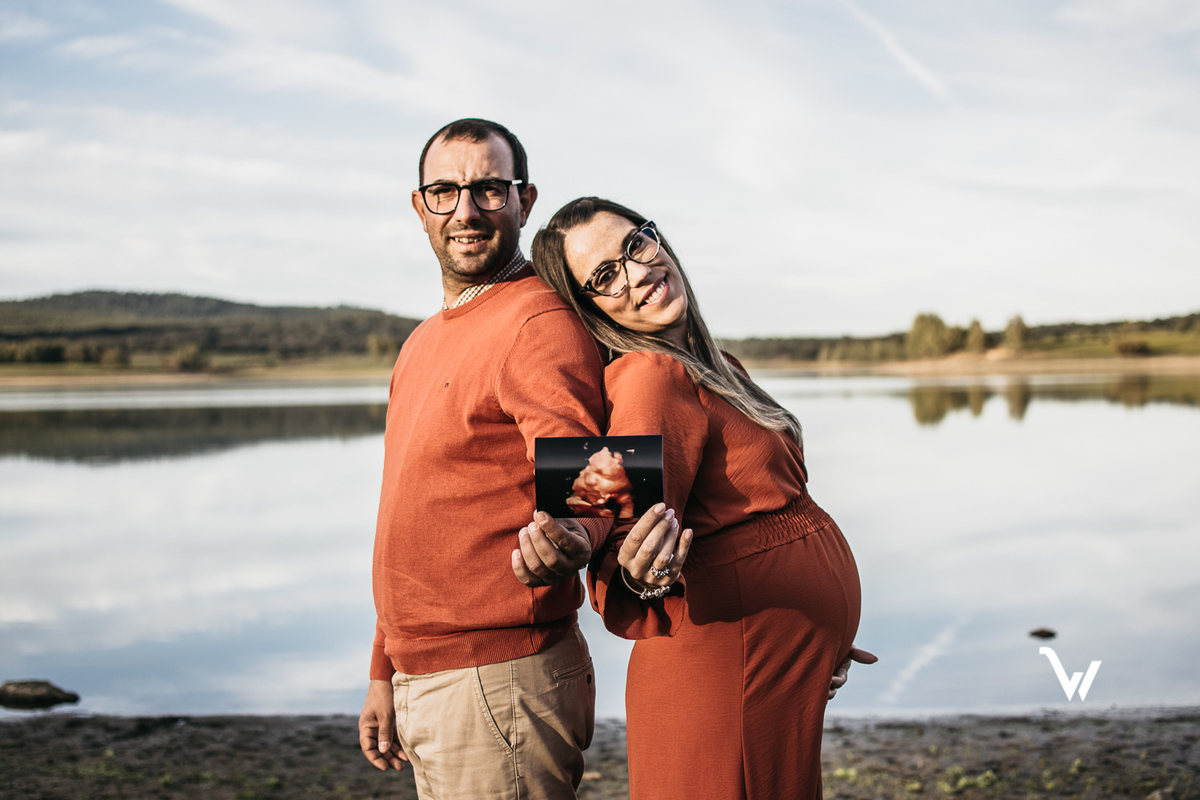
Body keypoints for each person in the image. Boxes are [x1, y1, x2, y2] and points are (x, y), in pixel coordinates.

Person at [355, 120, 686, 800]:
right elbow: (406, 518)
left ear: (524, 201)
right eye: (444, 191)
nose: (466, 211)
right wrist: (383, 670)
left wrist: (574, 533)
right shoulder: (421, 342)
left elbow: (599, 465)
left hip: (498, 679)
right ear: (420, 207)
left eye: (488, 189)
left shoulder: (537, 320)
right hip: (429, 676)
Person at [526, 196, 875, 799]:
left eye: (635, 244)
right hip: (722, 671)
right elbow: (601, 528)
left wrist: (814, 633)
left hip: (767, 664)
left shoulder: (716, 366)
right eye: (605, 277)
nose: (637, 272)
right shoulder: (649, 375)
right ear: (589, 310)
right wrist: (638, 574)